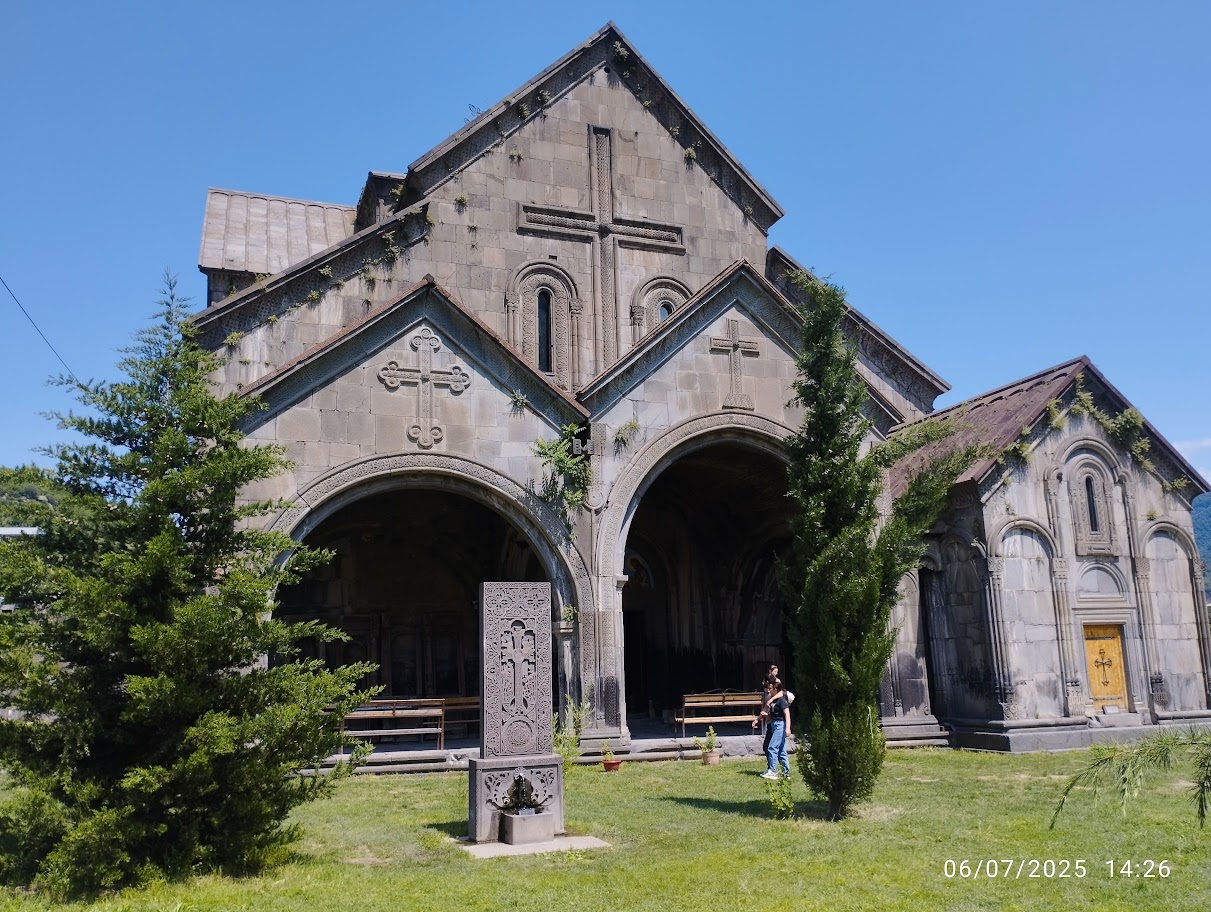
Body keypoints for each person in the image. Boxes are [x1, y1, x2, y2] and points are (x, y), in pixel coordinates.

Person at [752, 677, 791, 779]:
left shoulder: (782, 700)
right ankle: (786, 773)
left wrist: (787, 728)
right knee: (781, 749)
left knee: (772, 747)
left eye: (771, 688)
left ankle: (772, 771)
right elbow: (766, 710)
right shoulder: (773, 699)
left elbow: (787, 714)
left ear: (775, 689)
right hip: (773, 724)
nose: (769, 690)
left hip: (780, 725)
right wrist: (758, 718)